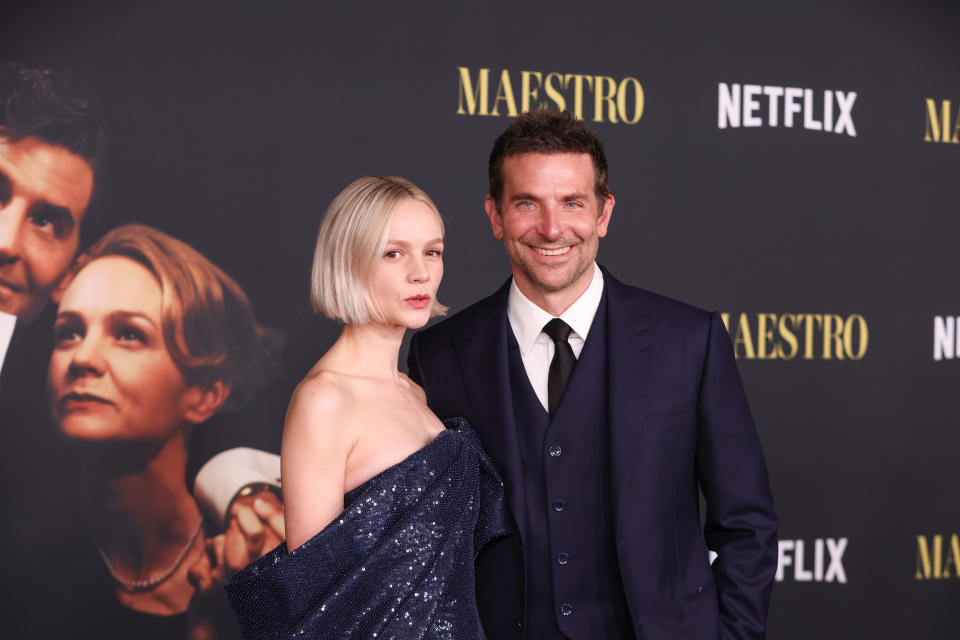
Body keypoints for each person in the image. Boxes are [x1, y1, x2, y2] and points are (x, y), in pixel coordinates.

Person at [408, 110, 778, 639]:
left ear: (603, 213)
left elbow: (747, 524)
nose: (552, 228)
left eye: (573, 203)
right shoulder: (438, 355)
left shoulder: (689, 341)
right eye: (527, 203)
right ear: (495, 215)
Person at [223, 176, 512, 639]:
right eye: (393, 253)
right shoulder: (325, 399)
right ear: (349, 261)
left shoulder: (414, 393)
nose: (420, 272)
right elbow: (315, 606)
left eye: (432, 251)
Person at [47, 223, 280, 638]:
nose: (82, 358)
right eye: (69, 333)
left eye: (129, 334)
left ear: (204, 394)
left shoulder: (254, 556)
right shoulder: (24, 557)